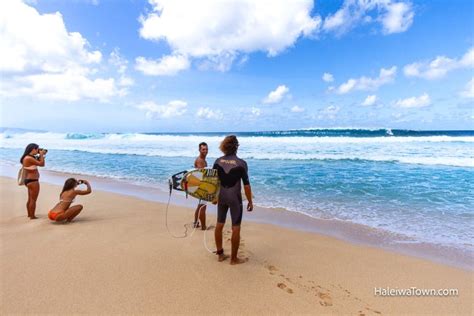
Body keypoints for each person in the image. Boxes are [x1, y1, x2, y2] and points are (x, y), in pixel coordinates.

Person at [213, 135, 253, 265]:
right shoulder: (242, 163)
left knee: (219, 224)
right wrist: (250, 201)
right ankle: (234, 259)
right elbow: (246, 185)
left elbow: (213, 182)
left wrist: (213, 197)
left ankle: (220, 254)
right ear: (236, 146)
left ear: (223, 146)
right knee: (236, 227)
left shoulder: (217, 162)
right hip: (235, 198)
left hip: (222, 197)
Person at [20, 143, 46, 219]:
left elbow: (37, 162)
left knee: (30, 199)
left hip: (29, 180)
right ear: (33, 149)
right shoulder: (29, 158)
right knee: (33, 200)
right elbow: (42, 164)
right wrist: (41, 155)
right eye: (37, 149)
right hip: (33, 181)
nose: (38, 150)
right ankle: (32, 216)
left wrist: (41, 155)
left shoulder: (28, 157)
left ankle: (29, 214)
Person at [193, 142, 208, 230]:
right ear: (199, 150)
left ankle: (195, 223)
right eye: (203, 149)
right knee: (203, 206)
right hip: (201, 186)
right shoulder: (199, 161)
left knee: (200, 205)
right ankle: (203, 226)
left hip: (201, 185)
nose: (205, 151)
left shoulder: (204, 160)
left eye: (206, 149)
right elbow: (200, 176)